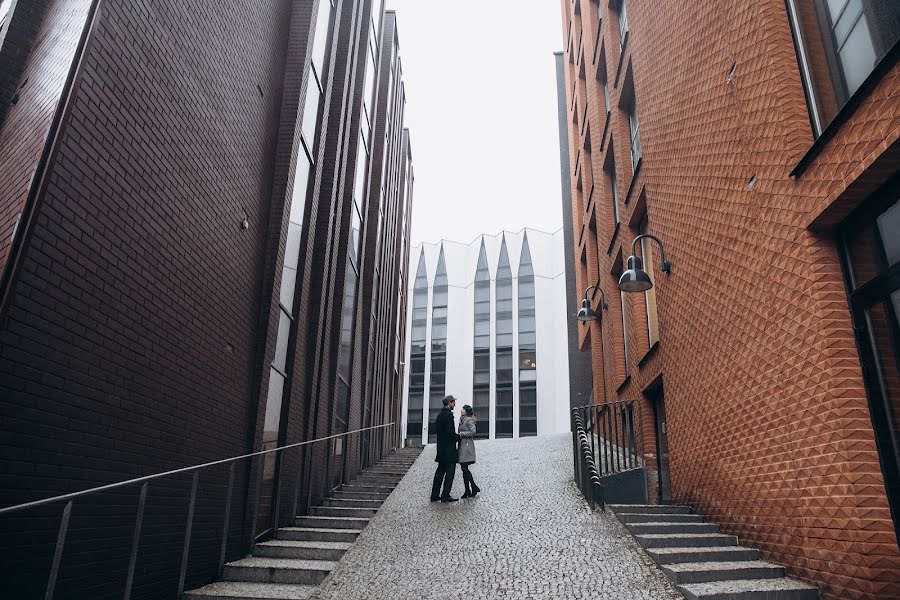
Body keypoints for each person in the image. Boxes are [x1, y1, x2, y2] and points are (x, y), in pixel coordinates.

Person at [431, 395, 460, 503]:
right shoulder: (448, 415)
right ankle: (445, 495)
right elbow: (450, 433)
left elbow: (439, 432)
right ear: (449, 403)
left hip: (441, 449)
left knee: (439, 472)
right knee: (450, 472)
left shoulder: (439, 416)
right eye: (453, 402)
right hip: (449, 450)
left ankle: (434, 495)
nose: (455, 404)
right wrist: (458, 437)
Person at [458, 404, 480, 498]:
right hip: (462, 446)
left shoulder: (468, 420)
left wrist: (461, 434)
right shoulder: (462, 419)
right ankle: (469, 489)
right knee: (464, 469)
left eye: (463, 409)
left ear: (466, 411)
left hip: (467, 446)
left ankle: (472, 487)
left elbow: (473, 431)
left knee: (464, 468)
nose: (461, 410)